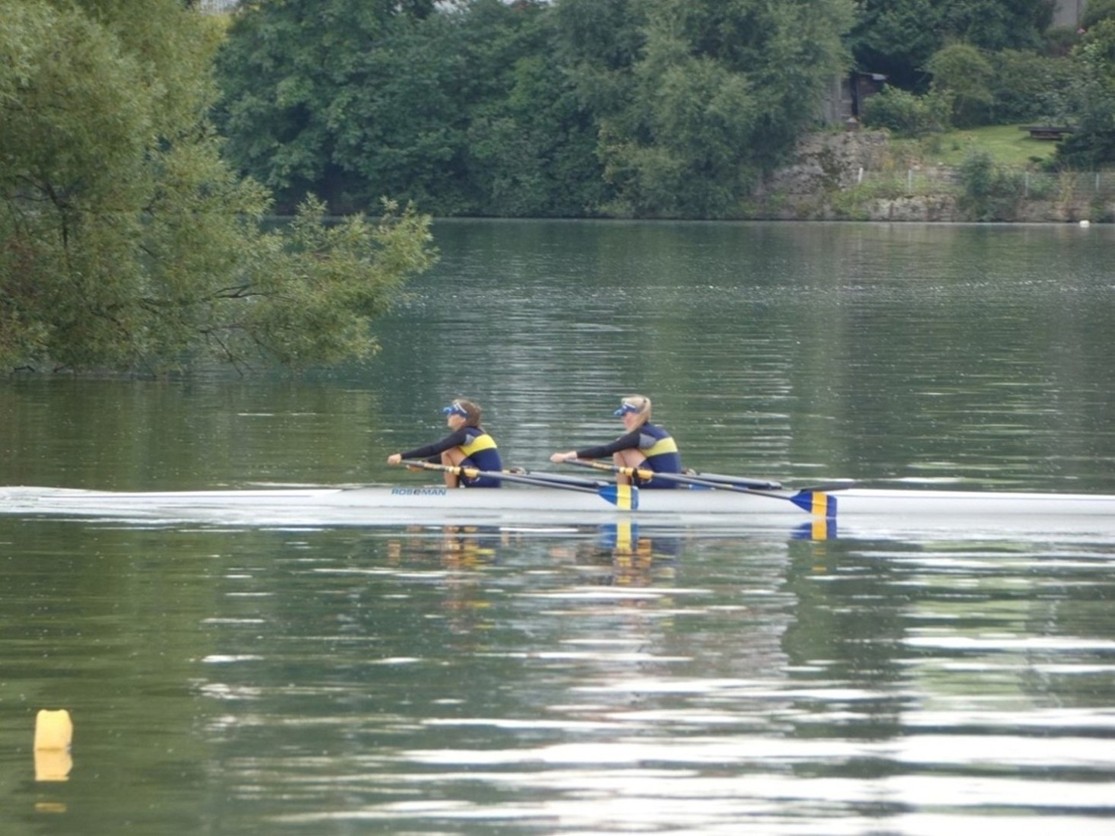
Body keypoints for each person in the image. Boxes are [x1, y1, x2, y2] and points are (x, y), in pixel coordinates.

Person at [549, 395, 682, 488]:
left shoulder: (640, 435)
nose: (622, 419)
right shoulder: (655, 431)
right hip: (673, 482)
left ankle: (623, 491)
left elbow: (607, 450)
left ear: (636, 414)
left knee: (621, 450)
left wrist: (567, 456)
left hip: (661, 484)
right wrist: (585, 456)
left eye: (624, 415)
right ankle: (624, 487)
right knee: (619, 450)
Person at [387, 399, 502, 487]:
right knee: (449, 452)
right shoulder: (475, 433)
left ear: (463, 419)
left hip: (483, 481)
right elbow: (443, 457)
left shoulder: (465, 434)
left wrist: (402, 456)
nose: (448, 416)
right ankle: (453, 490)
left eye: (452, 413)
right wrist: (423, 464)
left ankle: (451, 492)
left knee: (447, 452)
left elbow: (436, 448)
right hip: (492, 481)